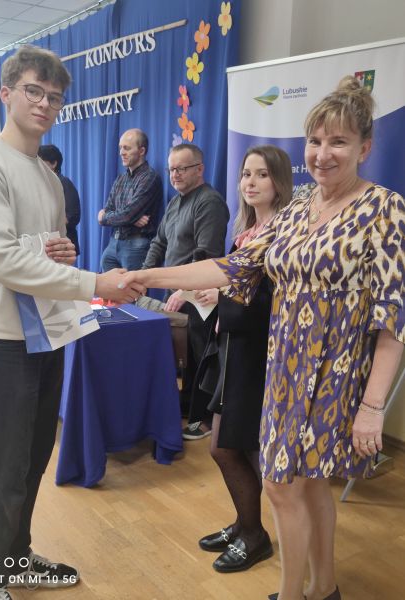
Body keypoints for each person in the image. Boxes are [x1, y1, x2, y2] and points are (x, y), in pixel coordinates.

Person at [121, 76, 405, 600]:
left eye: (338, 142)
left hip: (337, 373)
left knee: (282, 485)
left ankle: (293, 594)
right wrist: (146, 276)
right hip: (284, 366)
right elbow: (232, 267)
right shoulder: (298, 207)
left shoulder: (384, 208)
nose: (322, 154)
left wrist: (372, 407)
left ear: (365, 148)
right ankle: (324, 589)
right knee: (308, 484)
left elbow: (392, 318)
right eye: (315, 141)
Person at [0, 45, 145, 600]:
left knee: (34, 460)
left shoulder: (46, 175)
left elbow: (47, 249)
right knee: (3, 473)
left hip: (48, 334)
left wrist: (61, 251)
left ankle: (15, 559)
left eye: (54, 97)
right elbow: (5, 262)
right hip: (2, 342)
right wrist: (94, 281)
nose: (44, 104)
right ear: (6, 93)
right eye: (33, 91)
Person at [195, 145, 292, 573]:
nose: (250, 182)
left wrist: (223, 291)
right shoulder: (246, 229)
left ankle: (254, 534)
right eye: (246, 174)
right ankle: (244, 524)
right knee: (228, 447)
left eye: (262, 175)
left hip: (256, 356)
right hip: (233, 349)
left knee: (229, 449)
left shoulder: (281, 234)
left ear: (280, 182)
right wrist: (219, 291)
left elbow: (267, 302)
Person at [142, 143, 229, 437]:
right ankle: (187, 405)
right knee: (184, 358)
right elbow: (159, 243)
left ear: (200, 169)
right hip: (177, 292)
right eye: (172, 169)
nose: (175, 174)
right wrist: (142, 277)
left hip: (199, 296)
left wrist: (184, 290)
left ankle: (203, 420)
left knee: (200, 358)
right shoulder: (175, 202)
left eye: (182, 168)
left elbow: (206, 254)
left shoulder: (209, 202)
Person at [98, 128, 162, 271]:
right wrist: (133, 219)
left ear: (142, 151)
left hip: (136, 244)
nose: (121, 152)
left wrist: (104, 218)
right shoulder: (120, 178)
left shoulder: (150, 177)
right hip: (114, 242)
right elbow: (109, 208)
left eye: (126, 148)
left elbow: (127, 214)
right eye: (120, 148)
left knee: (134, 285)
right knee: (107, 282)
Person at [38, 144, 81, 255]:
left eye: (41, 162)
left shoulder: (64, 183)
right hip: (46, 243)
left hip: (63, 243)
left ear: (54, 164)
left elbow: (73, 216)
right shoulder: (41, 185)